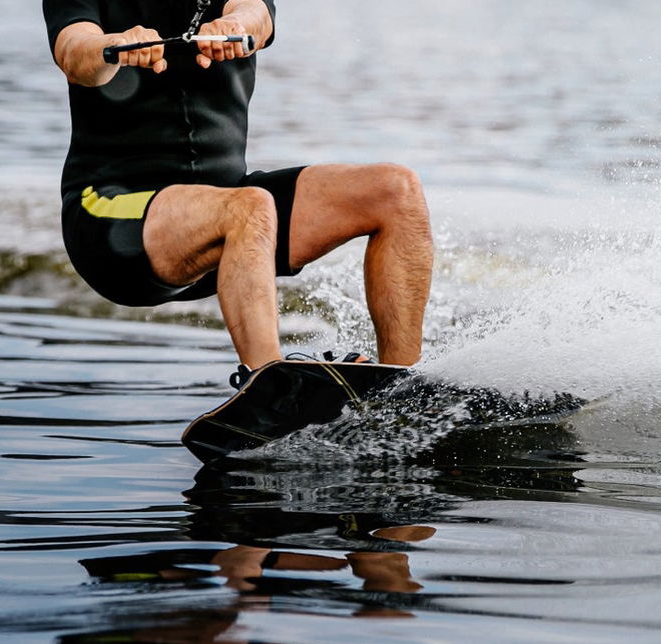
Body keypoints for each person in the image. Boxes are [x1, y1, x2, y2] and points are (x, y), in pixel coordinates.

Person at [42, 0, 433, 383]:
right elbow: (75, 54)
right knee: (250, 207)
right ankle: (268, 385)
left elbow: (256, 16)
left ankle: (402, 391)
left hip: (231, 220)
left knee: (395, 190)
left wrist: (236, 27)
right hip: (111, 219)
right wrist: (116, 47)